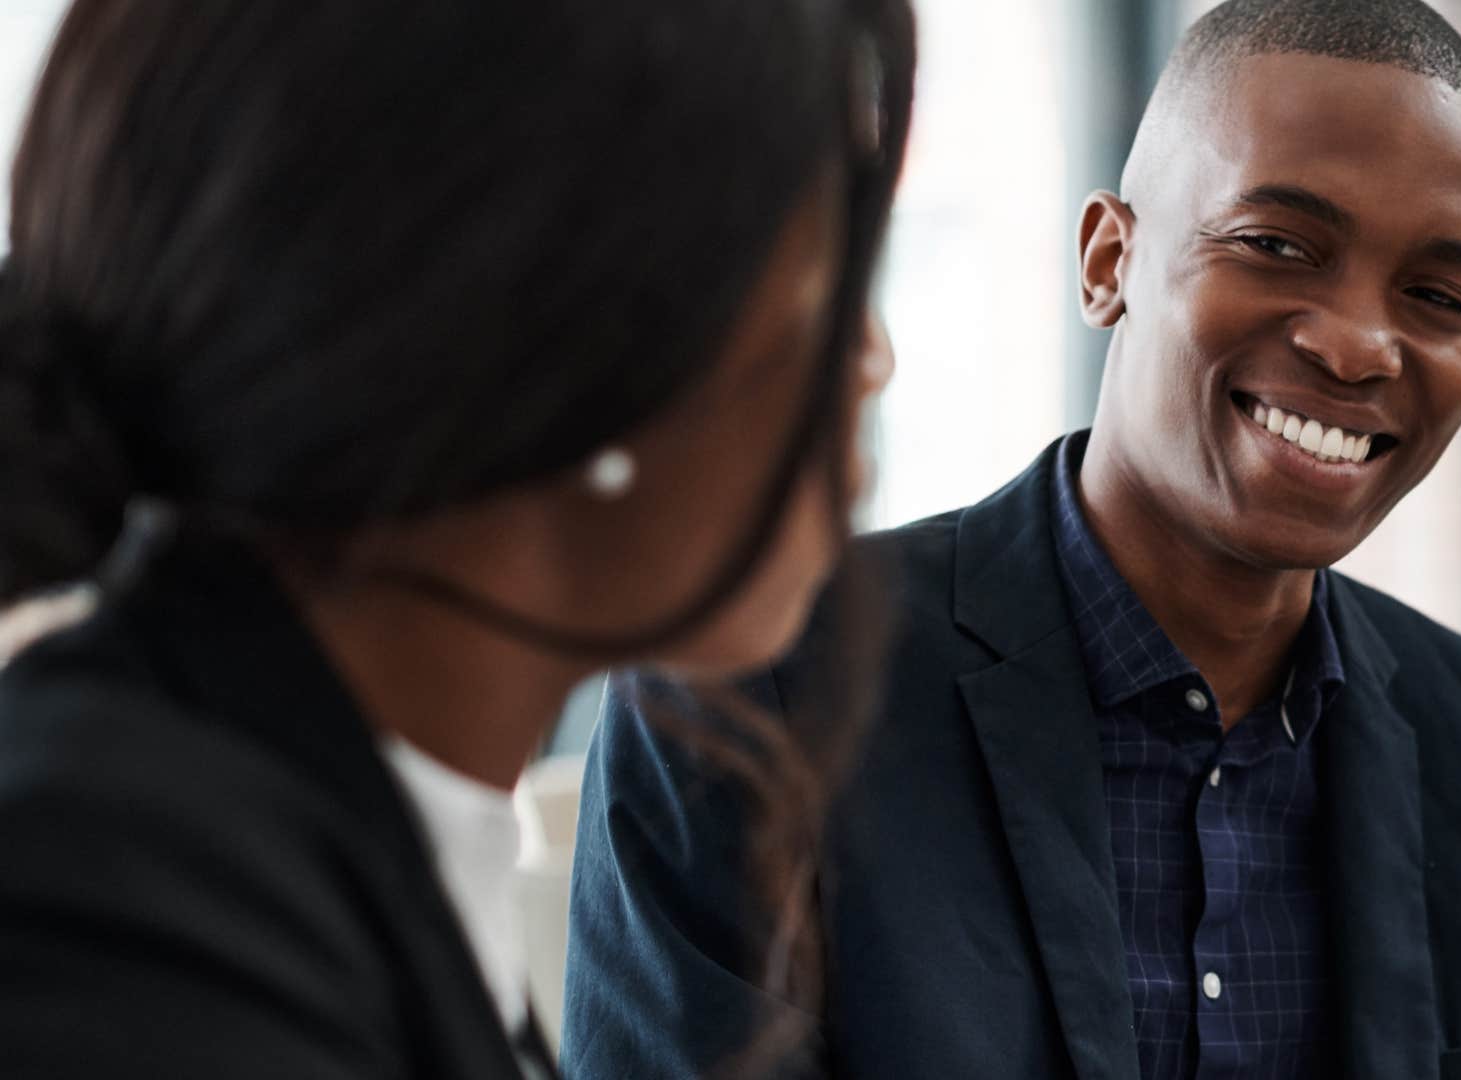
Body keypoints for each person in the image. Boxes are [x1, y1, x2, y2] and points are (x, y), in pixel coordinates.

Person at [568, 1, 1461, 1077]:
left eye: (1439, 296)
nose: (1358, 347)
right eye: (1276, 245)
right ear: (1108, 260)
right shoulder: (756, 687)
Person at [0, 1, 913, 1077]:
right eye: (829, 273)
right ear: (558, 325)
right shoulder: (138, 908)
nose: (871, 359)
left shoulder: (302, 832)